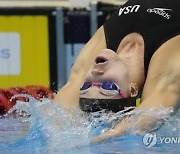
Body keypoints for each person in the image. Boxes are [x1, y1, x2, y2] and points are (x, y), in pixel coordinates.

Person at [54, 0, 180, 142]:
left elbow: (58, 112)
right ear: (132, 89)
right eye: (107, 86)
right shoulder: (166, 65)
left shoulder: (103, 47)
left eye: (86, 86)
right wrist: (112, 135)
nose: (96, 74)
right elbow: (155, 108)